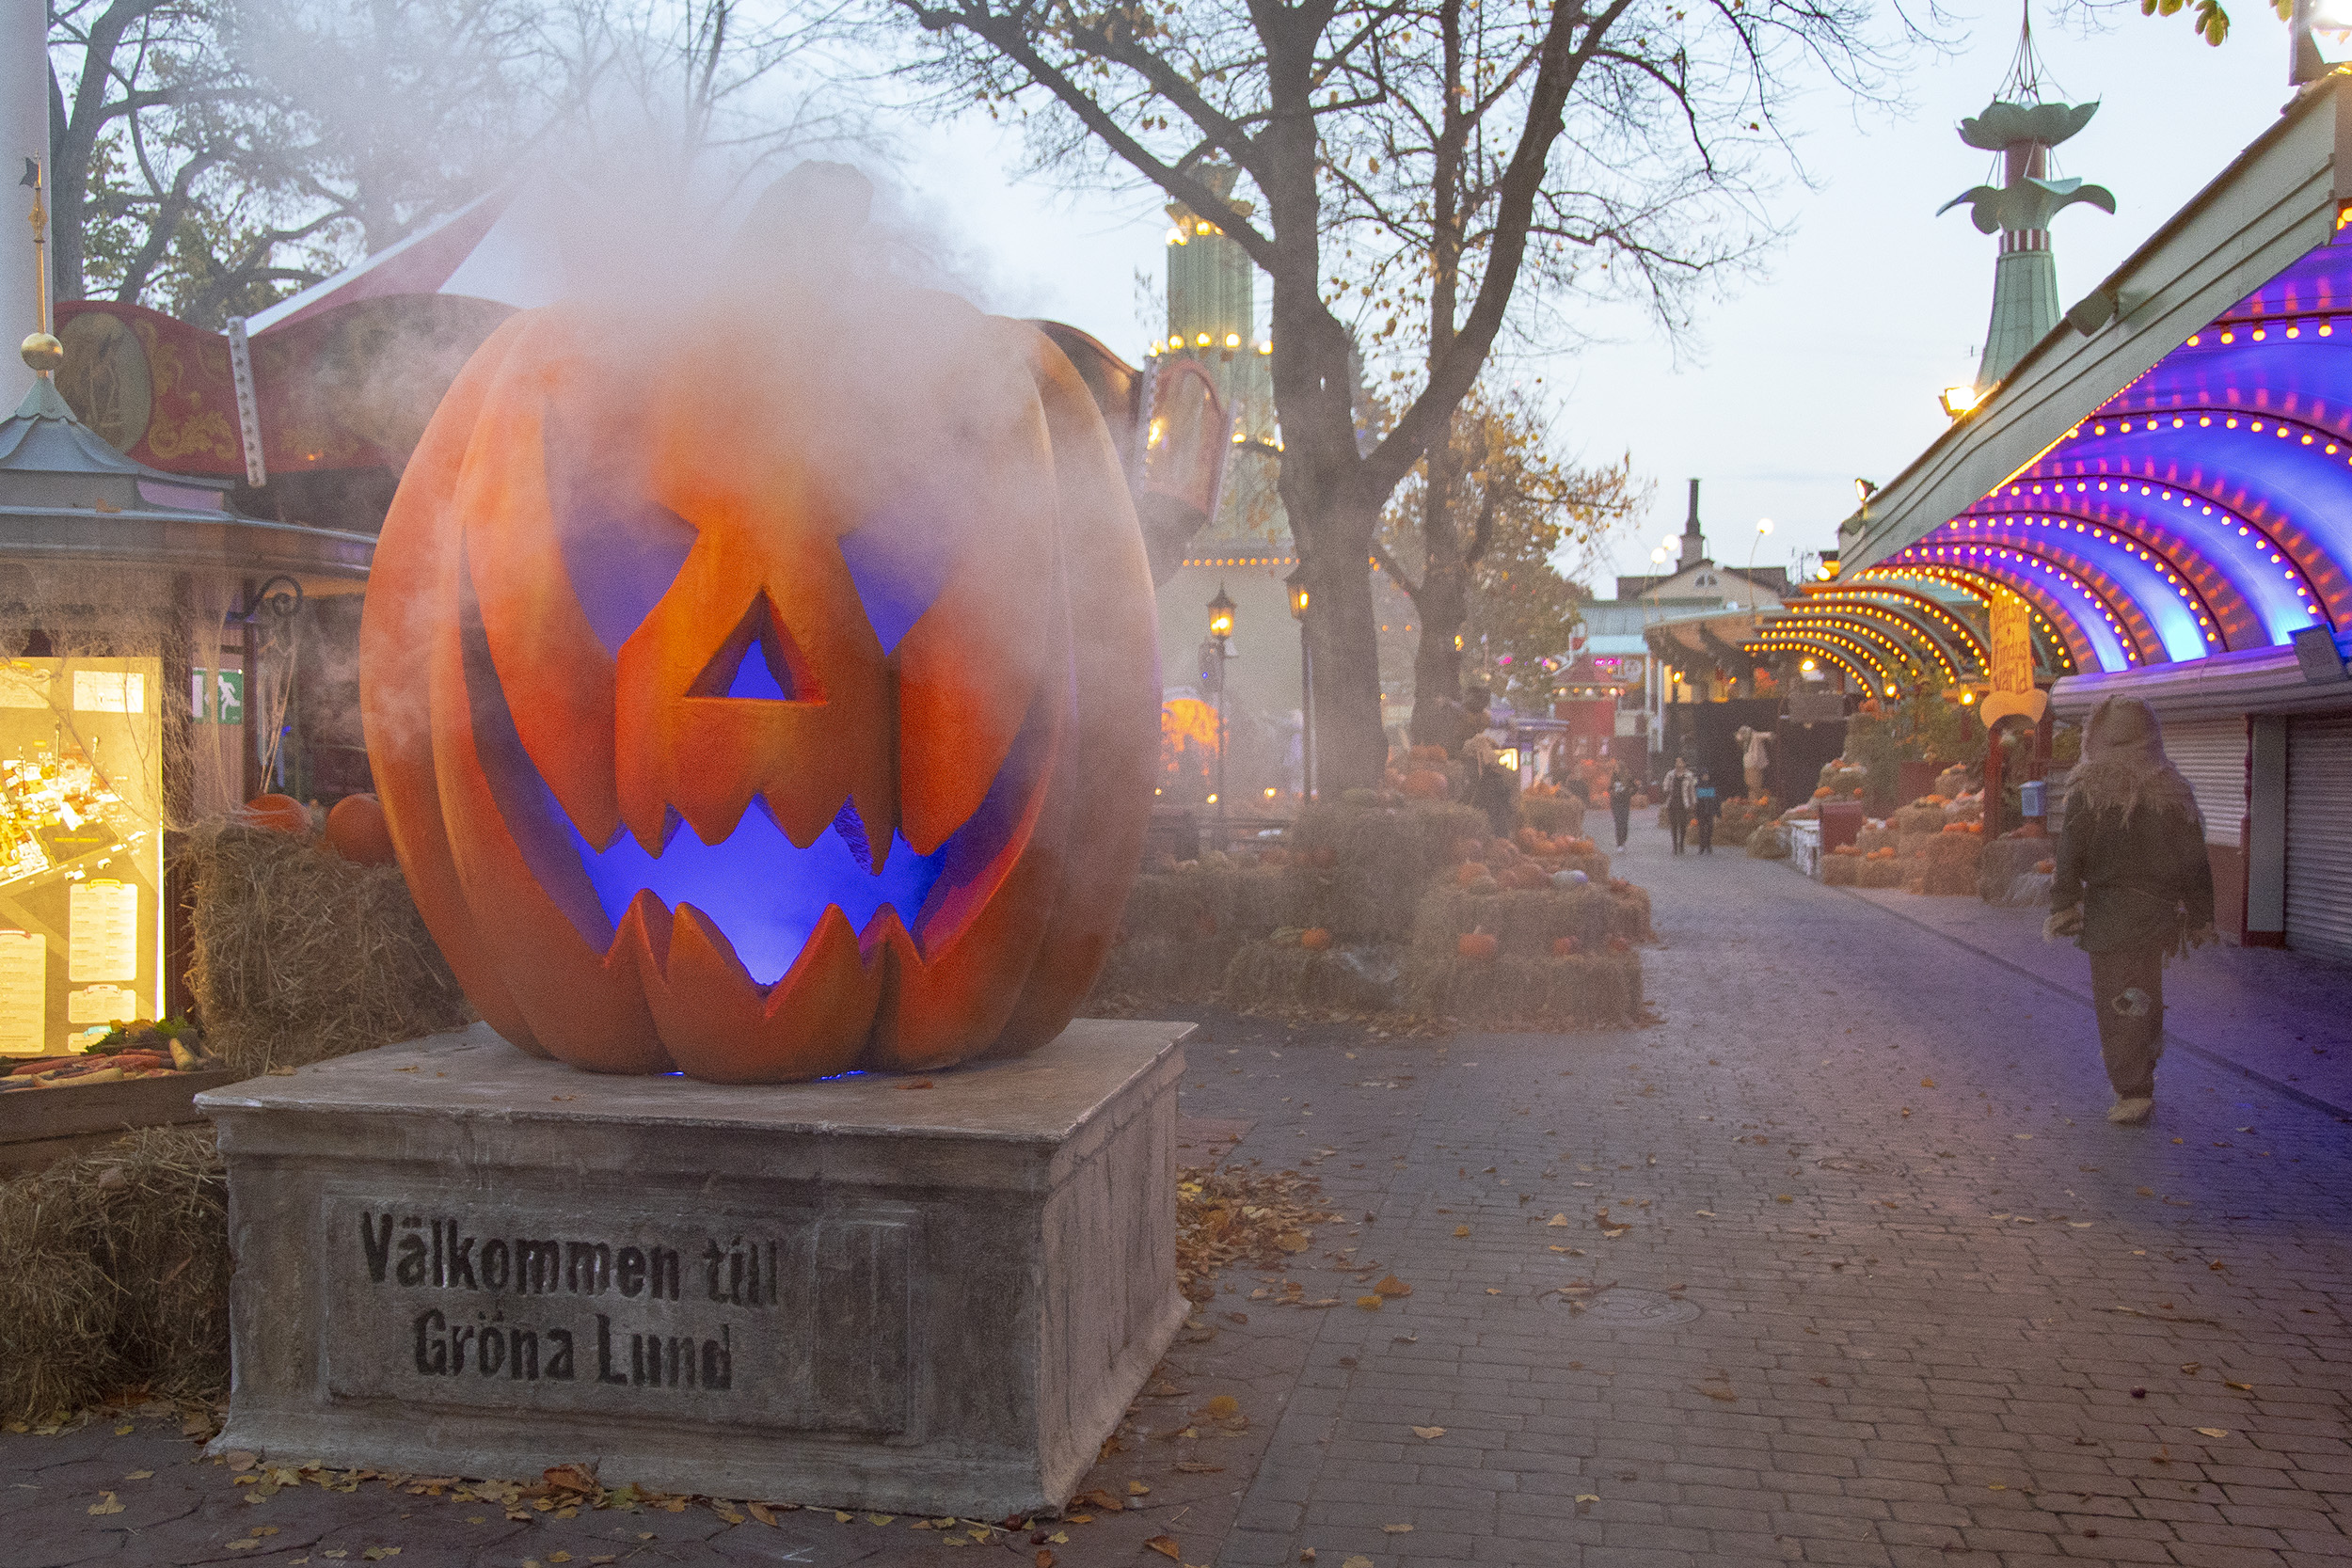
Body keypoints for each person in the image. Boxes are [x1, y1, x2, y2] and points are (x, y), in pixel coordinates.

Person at [2046, 696, 2217, 1127]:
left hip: (2109, 915)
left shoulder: (2090, 787)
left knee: (2117, 1000)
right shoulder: (2172, 787)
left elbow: (2071, 853)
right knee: (2142, 991)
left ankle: (2132, 1088)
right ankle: (2142, 1068)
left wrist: (2064, 904)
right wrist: (2200, 915)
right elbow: (2195, 859)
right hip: (2158, 916)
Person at [1662, 755, 1696, 855]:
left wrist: (1693, 802)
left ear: (1684, 763)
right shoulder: (1670, 774)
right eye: (1676, 761)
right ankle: (1674, 845)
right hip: (1673, 802)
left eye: (1680, 762)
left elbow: (1692, 790)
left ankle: (1681, 843)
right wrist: (1666, 788)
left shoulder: (1689, 775)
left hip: (1683, 802)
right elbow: (1665, 786)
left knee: (1682, 824)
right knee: (1673, 825)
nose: (1678, 763)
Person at [1607, 767, 1633, 848]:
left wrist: (1630, 793)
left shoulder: (1628, 778)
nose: (1617, 770)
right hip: (1615, 803)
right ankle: (1619, 843)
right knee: (1618, 822)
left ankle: (1623, 839)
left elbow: (1634, 787)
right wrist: (1611, 792)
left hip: (1625, 803)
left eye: (1619, 768)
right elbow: (1609, 788)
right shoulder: (1613, 778)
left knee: (1624, 822)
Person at [1694, 770, 1720, 854]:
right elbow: (1696, 800)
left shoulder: (1712, 786)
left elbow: (1715, 800)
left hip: (1710, 811)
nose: (1706, 777)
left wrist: (1717, 812)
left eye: (1707, 775)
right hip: (1701, 811)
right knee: (1701, 829)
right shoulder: (1697, 787)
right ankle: (1702, 846)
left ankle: (1708, 844)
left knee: (1710, 828)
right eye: (1704, 775)